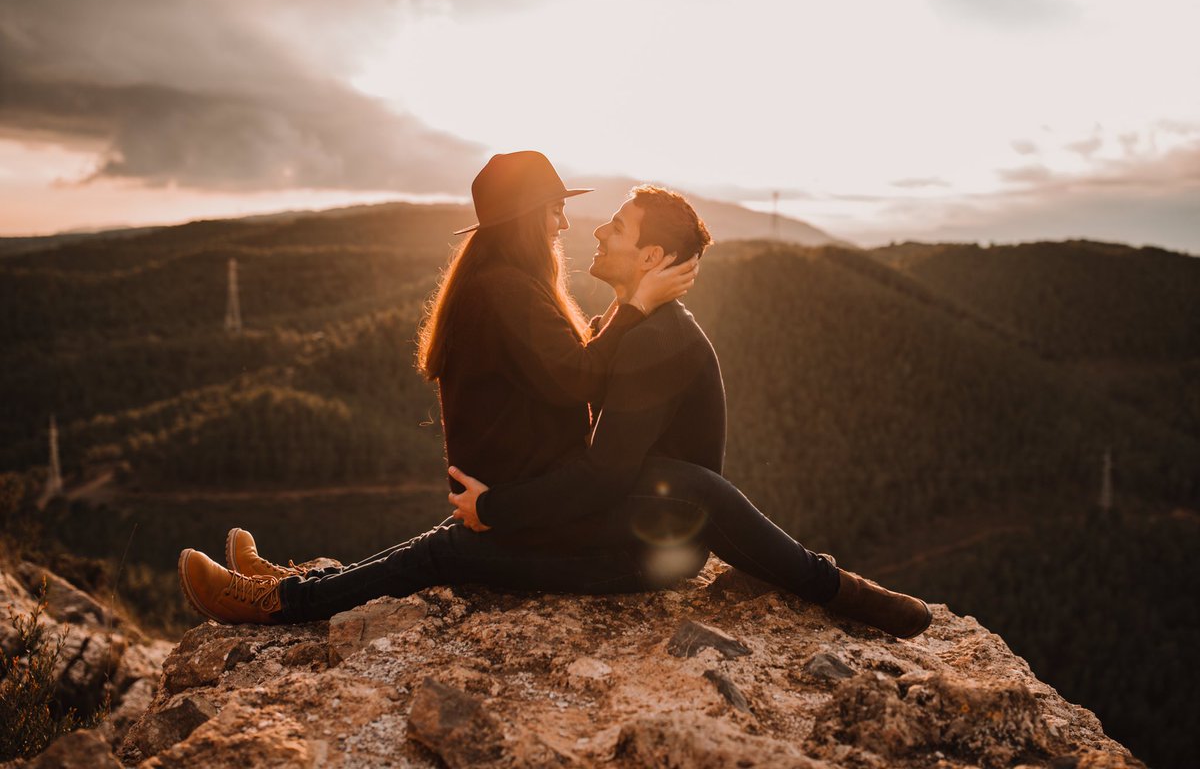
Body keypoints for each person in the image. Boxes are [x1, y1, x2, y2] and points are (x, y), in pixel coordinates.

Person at [178, 168, 931, 640]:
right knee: (451, 537)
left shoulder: (653, 338)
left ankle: (281, 602)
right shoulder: (614, 322)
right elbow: (581, 395)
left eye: (617, 228)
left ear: (651, 259)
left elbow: (605, 472)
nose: (586, 227)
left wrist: (501, 507)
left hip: (635, 548)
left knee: (452, 546)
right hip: (610, 521)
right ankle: (287, 588)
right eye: (564, 212)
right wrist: (501, 496)